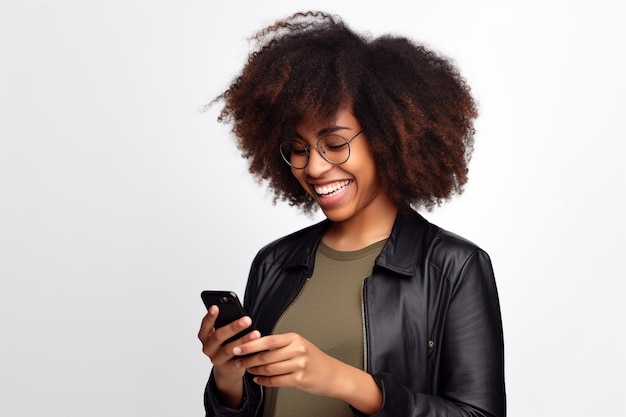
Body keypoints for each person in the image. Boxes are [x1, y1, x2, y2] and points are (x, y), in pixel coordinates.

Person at [198, 10, 506, 417]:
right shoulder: (275, 263)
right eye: (299, 148)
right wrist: (228, 377)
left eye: (335, 143)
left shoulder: (453, 267)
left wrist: (342, 380)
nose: (314, 167)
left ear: (386, 139)